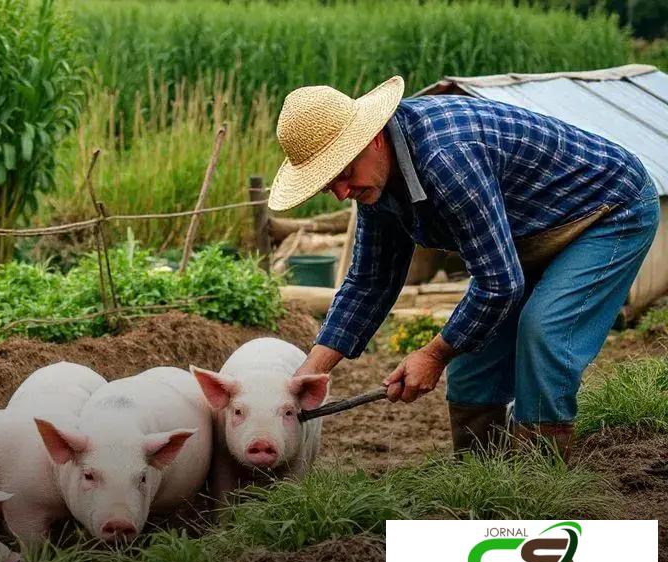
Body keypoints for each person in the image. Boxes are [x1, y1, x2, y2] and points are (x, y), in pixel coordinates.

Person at [268, 76, 659, 459]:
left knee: (544, 331)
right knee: (472, 363)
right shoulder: (376, 183)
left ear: (371, 138)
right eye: (328, 186)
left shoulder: (446, 158)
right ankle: (480, 479)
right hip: (533, 230)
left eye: (345, 175)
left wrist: (433, 354)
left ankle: (541, 478)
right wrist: (309, 374)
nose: (341, 194)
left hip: (608, 210)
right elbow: (370, 283)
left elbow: (499, 285)